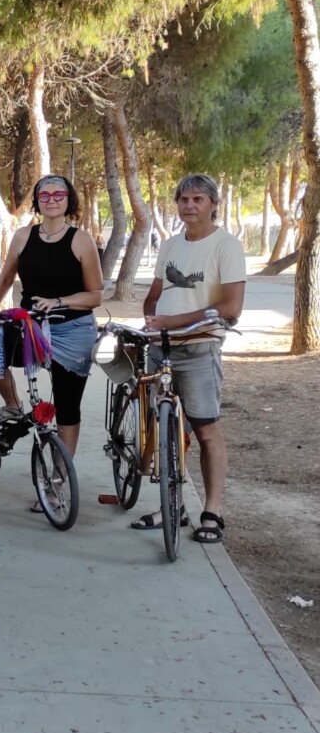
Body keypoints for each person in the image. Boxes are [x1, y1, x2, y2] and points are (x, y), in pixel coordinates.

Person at [136, 173, 245, 544]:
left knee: (206, 431)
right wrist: (152, 321)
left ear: (213, 204)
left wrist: (174, 321)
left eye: (198, 199)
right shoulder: (170, 245)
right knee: (166, 430)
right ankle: (173, 506)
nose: (189, 205)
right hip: (161, 348)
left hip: (199, 348)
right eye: (184, 199)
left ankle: (212, 513)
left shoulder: (226, 245)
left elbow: (231, 308)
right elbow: (154, 294)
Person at [0, 174, 104, 481]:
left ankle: (59, 478)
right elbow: (6, 279)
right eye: (44, 196)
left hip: (72, 329)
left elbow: (95, 295)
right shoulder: (23, 236)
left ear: (68, 200)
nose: (51, 200)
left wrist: (59, 301)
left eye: (58, 195)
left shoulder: (81, 240)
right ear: (37, 202)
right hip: (29, 325)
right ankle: (13, 405)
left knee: (67, 406)